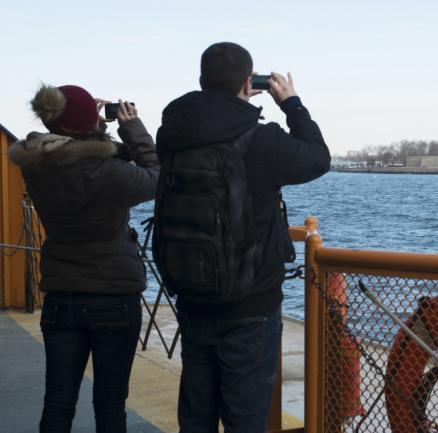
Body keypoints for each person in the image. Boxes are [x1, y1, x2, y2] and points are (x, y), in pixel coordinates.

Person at [154, 42, 330, 433]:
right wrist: (293, 105)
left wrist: (233, 101)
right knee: (245, 420)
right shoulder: (262, 140)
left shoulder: (173, 135)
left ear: (201, 81)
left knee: (196, 417)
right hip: (251, 304)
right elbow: (319, 159)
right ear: (250, 83)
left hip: (193, 296)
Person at [8, 84, 159, 432]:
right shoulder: (110, 172)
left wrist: (88, 125)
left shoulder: (35, 163)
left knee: (58, 401)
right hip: (113, 295)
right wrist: (130, 126)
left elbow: (75, 151)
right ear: (83, 124)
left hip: (61, 294)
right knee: (109, 405)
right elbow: (156, 176)